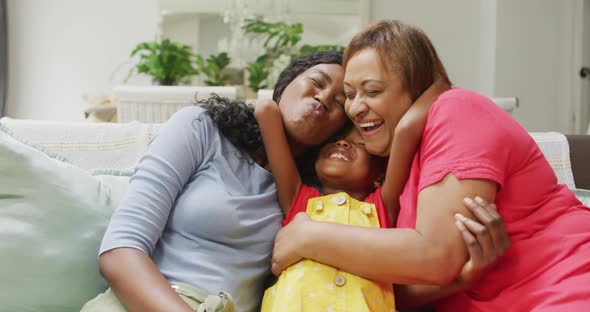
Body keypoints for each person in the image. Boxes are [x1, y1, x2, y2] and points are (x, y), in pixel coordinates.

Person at [81, 51, 506, 312]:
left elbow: (385, 285)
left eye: (342, 101)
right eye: (316, 83)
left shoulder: (311, 202)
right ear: (284, 85)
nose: (324, 98)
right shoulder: (202, 129)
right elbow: (120, 252)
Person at [271, 20, 590, 311]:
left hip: (565, 282)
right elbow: (392, 289)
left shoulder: (457, 110)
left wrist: (307, 236)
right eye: (350, 95)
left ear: (416, 86)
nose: (355, 108)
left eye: (372, 91)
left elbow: (436, 256)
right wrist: (463, 278)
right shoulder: (386, 177)